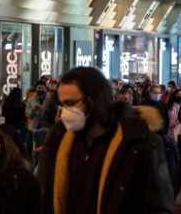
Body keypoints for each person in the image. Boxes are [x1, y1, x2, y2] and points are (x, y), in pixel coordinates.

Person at [37, 66, 173, 213]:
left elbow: (157, 205)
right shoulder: (59, 137)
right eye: (62, 104)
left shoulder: (139, 141)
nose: (65, 111)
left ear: (94, 101)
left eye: (71, 103)